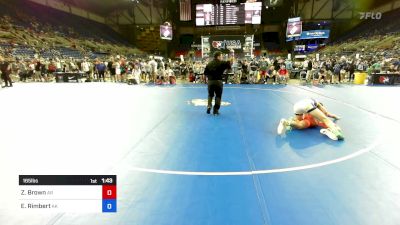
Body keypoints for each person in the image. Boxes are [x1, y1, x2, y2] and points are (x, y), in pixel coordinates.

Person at [277, 98, 344, 140]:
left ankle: (286, 122)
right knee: (326, 121)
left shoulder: (313, 108)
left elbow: (327, 115)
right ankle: (335, 132)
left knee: (299, 125)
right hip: (308, 120)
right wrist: (334, 117)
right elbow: (327, 114)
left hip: (298, 108)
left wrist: (335, 117)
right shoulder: (316, 107)